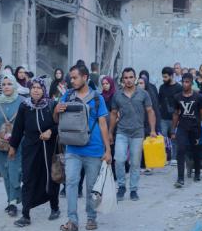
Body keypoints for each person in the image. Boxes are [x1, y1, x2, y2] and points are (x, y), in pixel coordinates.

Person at [55, 64, 112, 231]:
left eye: (75, 77)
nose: (71, 81)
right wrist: (57, 110)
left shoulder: (97, 98)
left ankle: (91, 218)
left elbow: (103, 125)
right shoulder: (67, 95)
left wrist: (107, 150)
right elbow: (57, 120)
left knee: (91, 186)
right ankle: (72, 221)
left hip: (94, 150)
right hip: (72, 149)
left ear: (85, 77)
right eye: (70, 78)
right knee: (71, 183)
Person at [9, 78, 60, 227]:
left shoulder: (52, 105)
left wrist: (51, 131)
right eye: (33, 87)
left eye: (39, 87)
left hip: (49, 148)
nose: (36, 90)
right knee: (28, 178)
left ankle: (54, 207)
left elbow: (61, 124)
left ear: (44, 90)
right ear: (30, 89)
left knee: (51, 178)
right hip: (30, 148)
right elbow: (18, 128)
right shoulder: (25, 106)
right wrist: (13, 146)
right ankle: (25, 214)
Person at [109, 68, 156, 201]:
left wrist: (152, 130)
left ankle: (134, 189)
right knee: (119, 159)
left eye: (131, 77)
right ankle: (122, 186)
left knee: (135, 163)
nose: (128, 80)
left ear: (135, 78)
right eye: (126, 78)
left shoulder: (143, 94)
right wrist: (110, 132)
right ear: (122, 80)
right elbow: (113, 114)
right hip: (122, 132)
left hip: (137, 133)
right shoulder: (117, 95)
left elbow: (150, 111)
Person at [0, 74, 23, 218]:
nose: (6, 86)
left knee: (15, 172)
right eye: (4, 84)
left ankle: (14, 201)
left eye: (9, 84)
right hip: (1, 145)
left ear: (14, 85)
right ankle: (11, 201)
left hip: (18, 144)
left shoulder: (23, 102)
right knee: (6, 173)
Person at [172, 73, 202, 188]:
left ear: (192, 83)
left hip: (195, 128)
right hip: (182, 127)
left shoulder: (198, 97)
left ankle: (197, 172)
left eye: (187, 82)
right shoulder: (177, 97)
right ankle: (180, 178)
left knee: (195, 150)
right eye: (183, 82)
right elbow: (175, 114)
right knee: (181, 151)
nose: (185, 84)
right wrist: (173, 130)